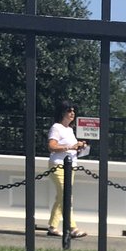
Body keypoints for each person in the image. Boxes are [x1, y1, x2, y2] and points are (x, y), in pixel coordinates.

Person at [46, 100, 87, 238]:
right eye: (69, 111)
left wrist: (79, 146)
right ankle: (73, 228)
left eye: (74, 111)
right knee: (66, 196)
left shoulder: (70, 130)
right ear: (62, 112)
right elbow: (52, 146)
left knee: (61, 197)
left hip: (71, 167)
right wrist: (70, 147)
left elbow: (72, 147)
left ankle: (52, 226)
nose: (72, 113)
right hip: (58, 166)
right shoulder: (56, 127)